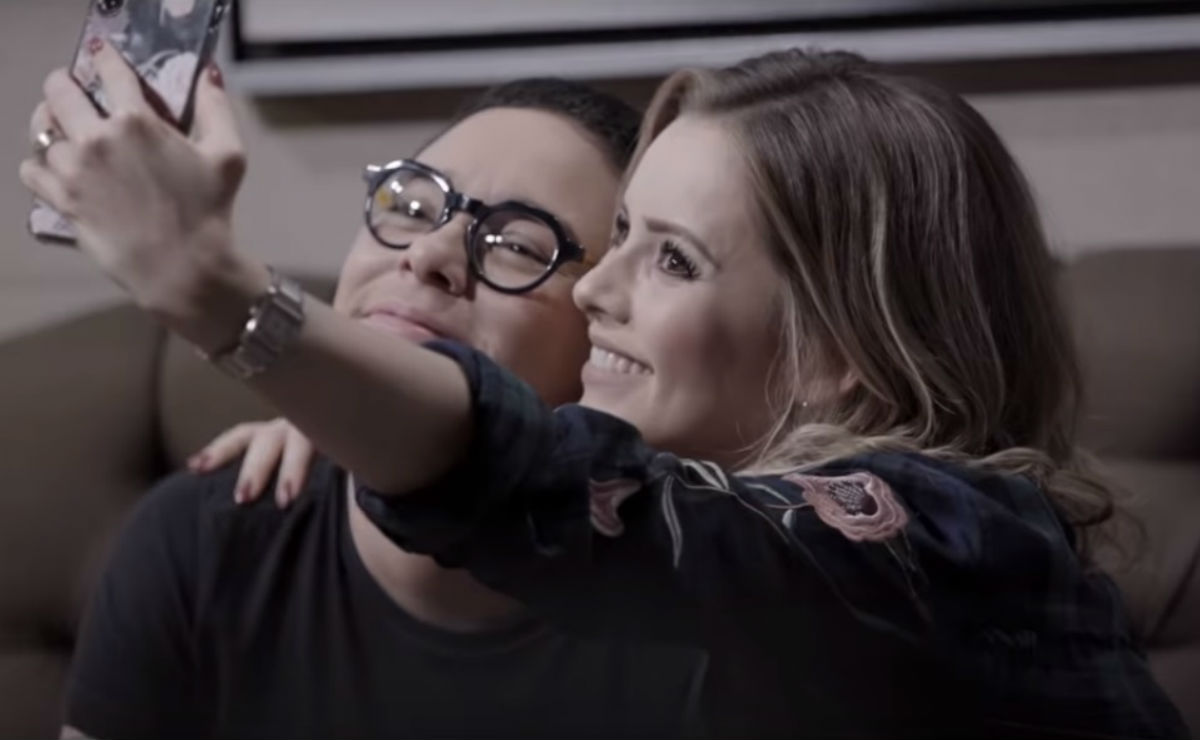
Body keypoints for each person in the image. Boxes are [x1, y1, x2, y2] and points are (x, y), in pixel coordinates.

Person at [22, 44, 1186, 738]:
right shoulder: (231, 524)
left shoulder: (944, 542)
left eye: (669, 257)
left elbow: (578, 495)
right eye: (617, 235)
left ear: (841, 349)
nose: (593, 293)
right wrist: (344, 423)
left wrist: (217, 290)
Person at [29, 65, 705, 738]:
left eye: (517, 245)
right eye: (411, 206)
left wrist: (204, 281)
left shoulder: (695, 599)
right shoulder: (205, 540)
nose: (429, 251)